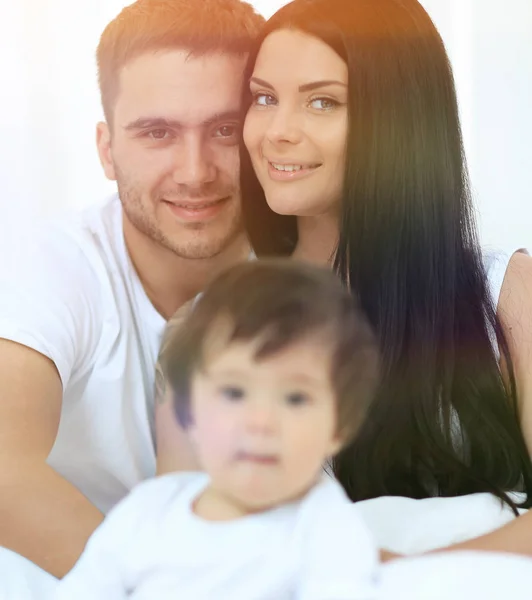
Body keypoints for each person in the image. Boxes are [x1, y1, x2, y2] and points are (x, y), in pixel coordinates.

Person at [156, 0, 532, 557]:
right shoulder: (206, 327)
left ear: (401, 121)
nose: (276, 132)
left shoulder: (506, 294)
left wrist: (402, 576)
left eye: (322, 101)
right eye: (264, 98)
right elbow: (200, 551)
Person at [0, 0, 264, 578]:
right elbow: (2, 469)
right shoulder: (54, 263)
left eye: (224, 130)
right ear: (107, 150)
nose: (195, 172)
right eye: (158, 133)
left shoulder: (307, 275)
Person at [54, 259, 381, 600]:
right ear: (189, 415)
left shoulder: (325, 529)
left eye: (296, 398)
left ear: (339, 427)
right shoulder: (147, 512)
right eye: (233, 393)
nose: (261, 422)